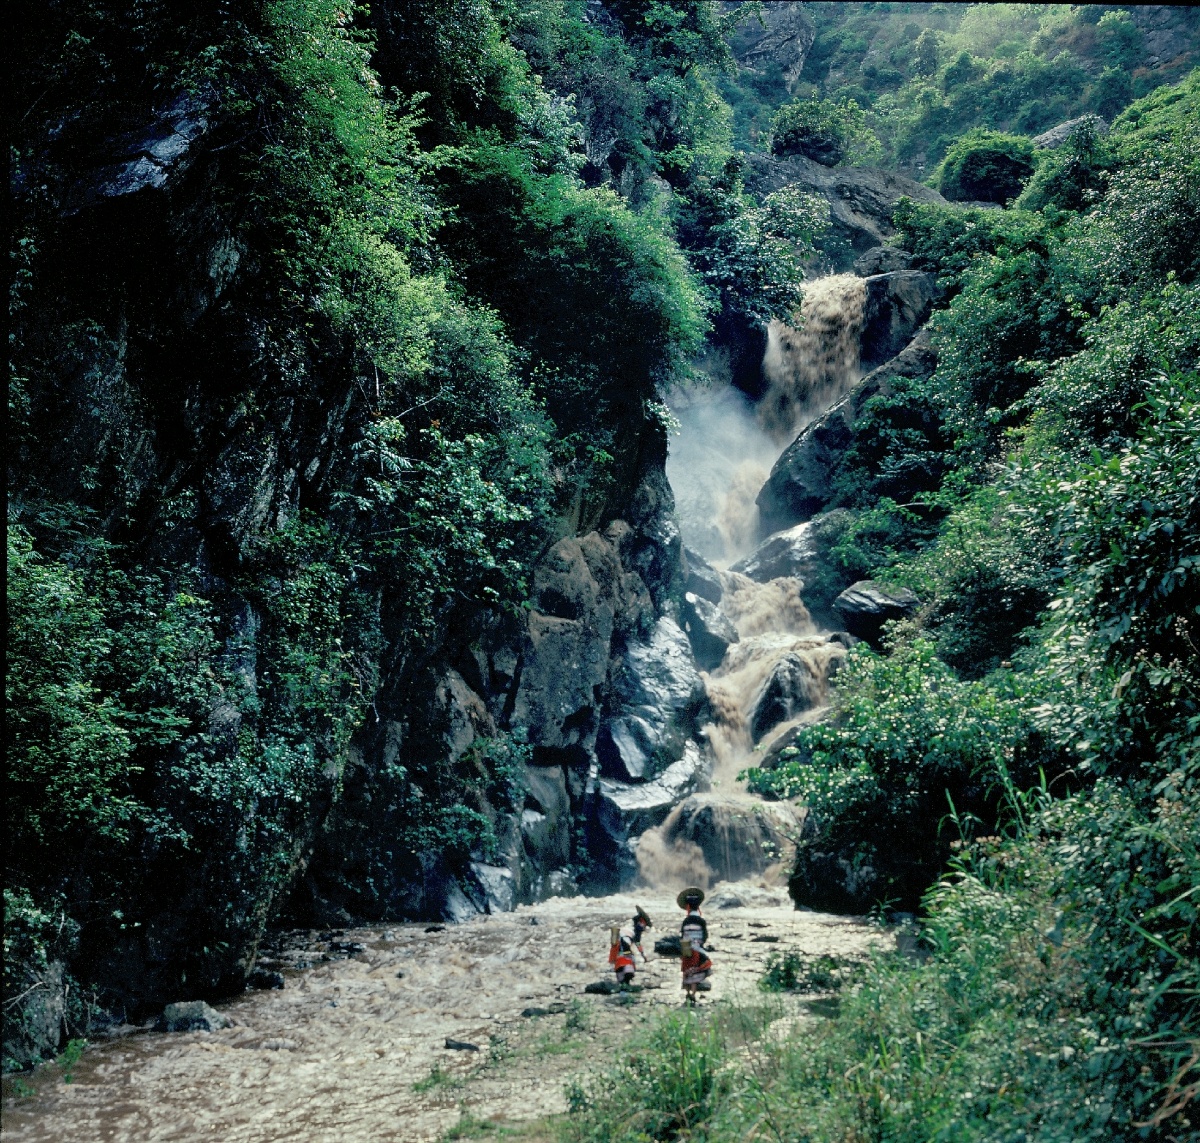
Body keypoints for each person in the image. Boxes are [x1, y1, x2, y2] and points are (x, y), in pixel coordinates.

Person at [677, 887, 713, 1003]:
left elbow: (682, 936)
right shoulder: (701, 921)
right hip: (697, 950)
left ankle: (687, 993)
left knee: (686, 972)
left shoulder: (685, 921)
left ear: (687, 907)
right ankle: (693, 994)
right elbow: (705, 936)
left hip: (686, 949)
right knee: (695, 973)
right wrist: (700, 944)